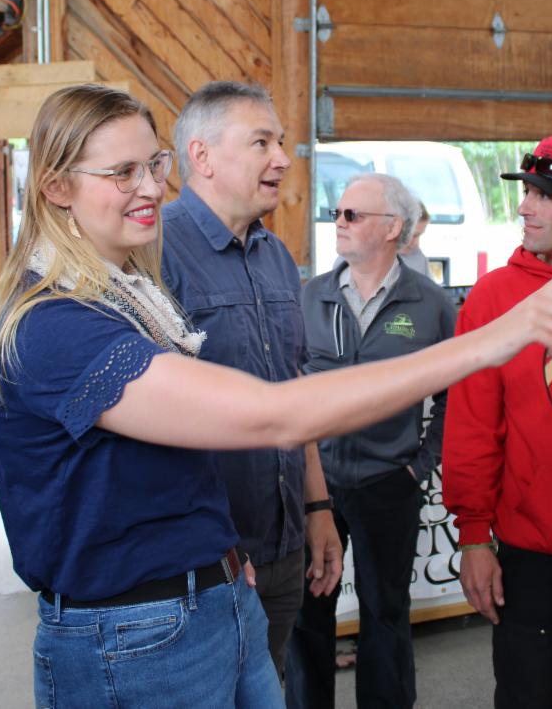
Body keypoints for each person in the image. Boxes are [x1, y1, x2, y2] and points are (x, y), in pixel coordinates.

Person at [0, 85, 552, 708]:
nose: (153, 188)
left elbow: (176, 458)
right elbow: (271, 413)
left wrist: (222, 550)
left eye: (154, 166)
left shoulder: (132, 287)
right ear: (55, 186)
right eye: (122, 172)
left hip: (209, 595)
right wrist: (486, 343)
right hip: (139, 633)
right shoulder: (56, 324)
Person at [161, 81, 342, 677]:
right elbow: (155, 426)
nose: (283, 158)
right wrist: (215, 546)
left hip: (283, 547)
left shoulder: (276, 257)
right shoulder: (155, 252)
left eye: (282, 142)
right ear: (201, 156)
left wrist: (317, 507)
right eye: (260, 141)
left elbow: (294, 391)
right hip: (207, 561)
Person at [286, 175, 455, 709]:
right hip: (317, 486)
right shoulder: (308, 298)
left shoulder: (431, 304)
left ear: (393, 228)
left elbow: (458, 395)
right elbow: (286, 386)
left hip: (389, 483)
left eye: (353, 214)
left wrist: (419, 466)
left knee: (386, 614)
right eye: (337, 212)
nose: (339, 221)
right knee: (308, 616)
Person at [442, 135, 552, 709]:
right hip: (534, 554)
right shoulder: (493, 297)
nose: (526, 206)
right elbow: (471, 427)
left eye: (547, 195)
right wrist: (474, 537)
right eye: (526, 191)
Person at [399, 201, 430, 278]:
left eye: (419, 236)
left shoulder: (418, 257)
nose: (417, 243)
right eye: (413, 236)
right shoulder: (374, 259)